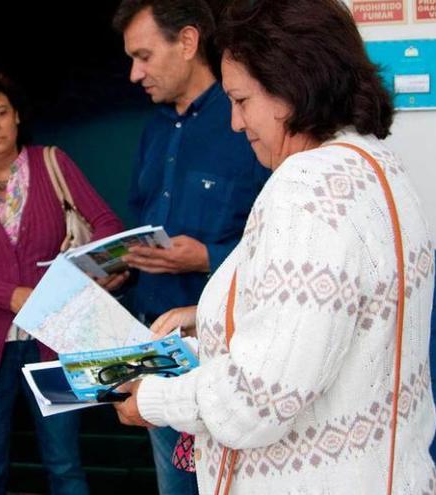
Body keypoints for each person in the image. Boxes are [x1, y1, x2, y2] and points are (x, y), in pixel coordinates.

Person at [114, 0, 436, 493]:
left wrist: (154, 399)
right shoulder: (376, 166)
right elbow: (310, 338)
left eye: (241, 102)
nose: (235, 124)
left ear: (292, 89)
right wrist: (202, 335)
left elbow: (257, 401)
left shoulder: (305, 187)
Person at [0, 67, 124, 495]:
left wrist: (76, 275)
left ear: (17, 116)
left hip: (53, 341)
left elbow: (107, 223)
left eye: (0, 112)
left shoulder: (52, 162)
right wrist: (7, 295)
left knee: (65, 466)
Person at [111, 1, 268, 493]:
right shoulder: (155, 128)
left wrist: (206, 257)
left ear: (187, 42)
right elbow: (143, 216)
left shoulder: (249, 120)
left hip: (230, 354)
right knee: (175, 486)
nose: (135, 74)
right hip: (157, 346)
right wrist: (119, 265)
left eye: (143, 55)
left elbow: (278, 244)